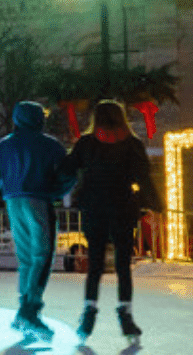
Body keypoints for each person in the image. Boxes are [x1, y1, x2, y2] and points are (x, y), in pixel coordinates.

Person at [0, 101, 76, 346]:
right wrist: (55, 192)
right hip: (39, 201)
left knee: (27, 258)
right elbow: (69, 173)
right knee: (42, 255)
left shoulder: (5, 145)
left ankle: (24, 307)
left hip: (13, 201)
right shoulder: (50, 145)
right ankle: (30, 311)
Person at [58, 100, 160, 339]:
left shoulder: (87, 143)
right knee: (123, 265)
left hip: (94, 209)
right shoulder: (132, 144)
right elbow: (143, 176)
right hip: (123, 208)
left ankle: (88, 314)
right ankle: (126, 316)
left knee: (95, 263)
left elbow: (67, 167)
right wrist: (154, 203)